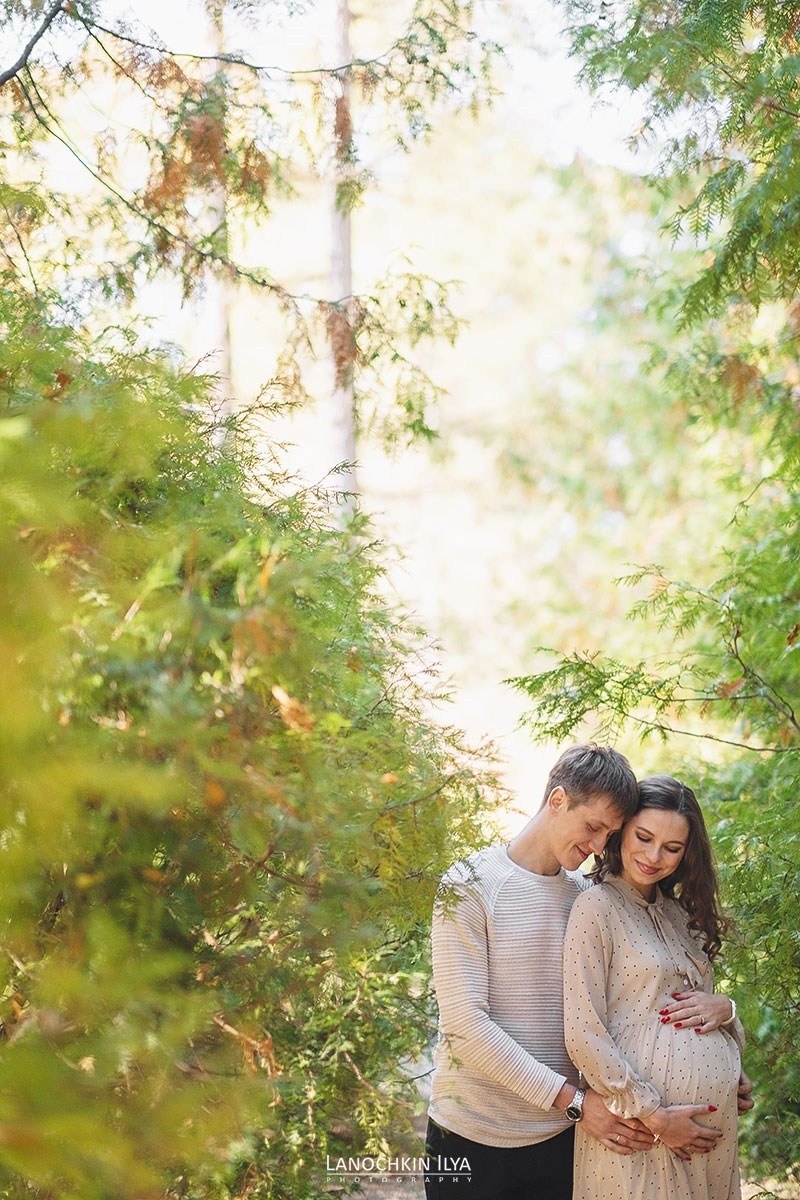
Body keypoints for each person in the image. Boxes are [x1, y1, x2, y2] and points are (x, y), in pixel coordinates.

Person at [425, 744, 656, 1200]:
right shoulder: (469, 883)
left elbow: (632, 1000)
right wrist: (573, 1102)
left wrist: (718, 1038)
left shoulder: (590, 897)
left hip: (563, 1143)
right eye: (593, 827)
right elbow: (466, 1027)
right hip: (470, 1138)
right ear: (556, 800)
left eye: (608, 835)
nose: (597, 848)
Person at [563, 774, 753, 1200]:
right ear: (621, 832)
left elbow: (704, 1011)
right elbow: (583, 1032)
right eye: (643, 837)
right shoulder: (595, 907)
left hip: (708, 1138)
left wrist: (728, 1014)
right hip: (642, 1133)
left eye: (672, 848)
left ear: (687, 854)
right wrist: (655, 1115)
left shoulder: (679, 917)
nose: (654, 857)